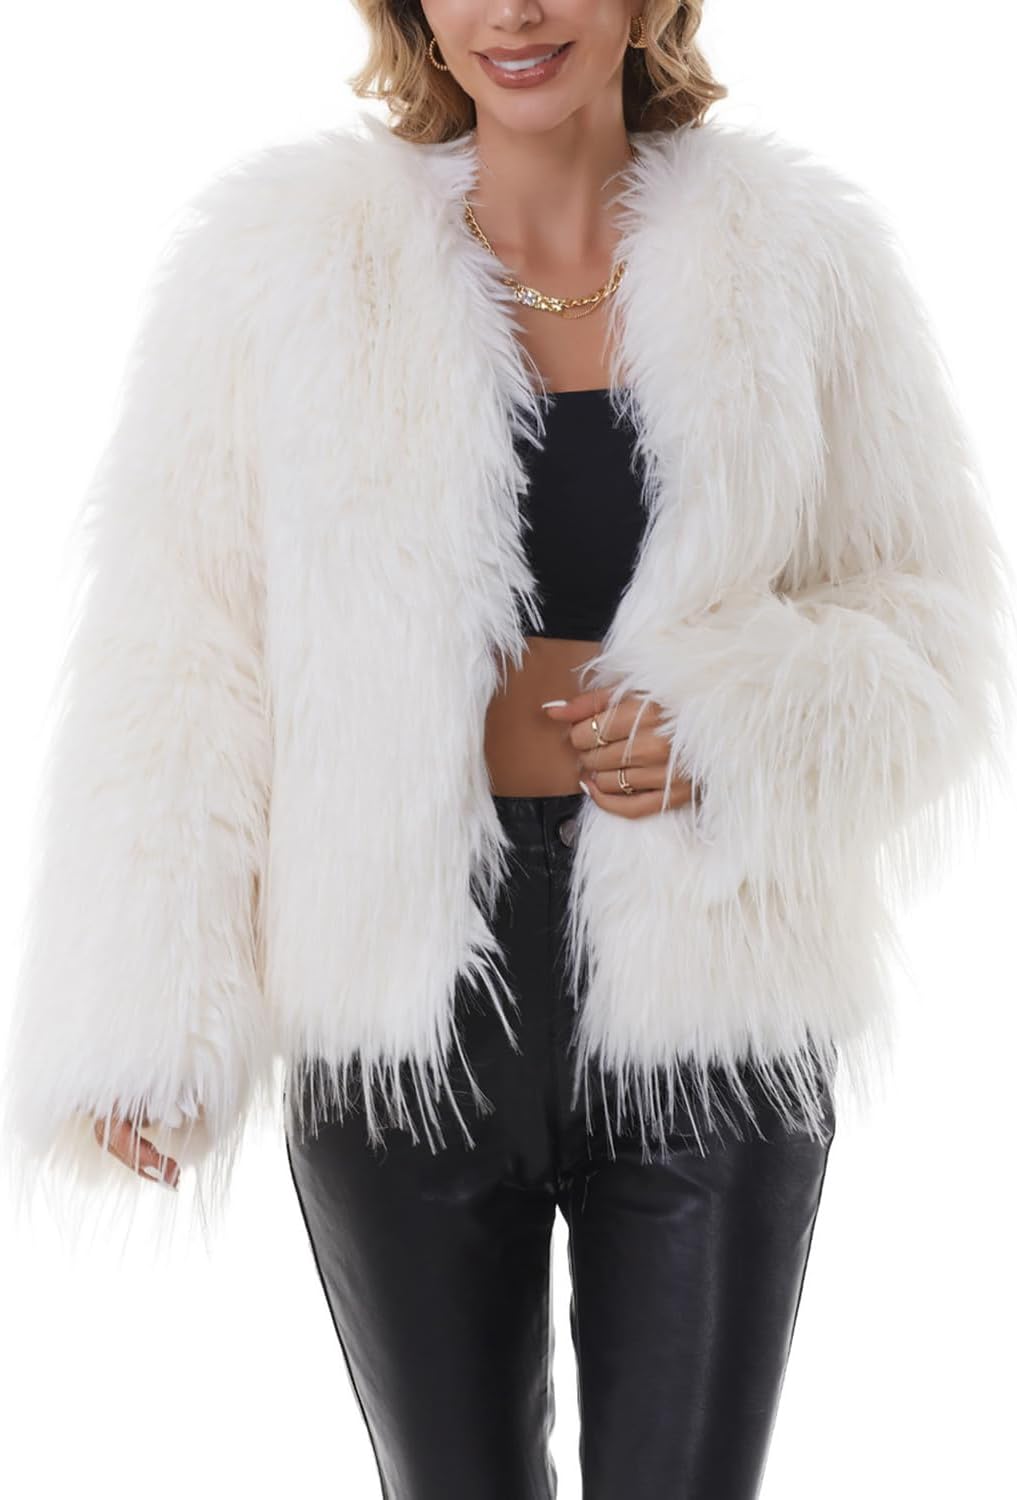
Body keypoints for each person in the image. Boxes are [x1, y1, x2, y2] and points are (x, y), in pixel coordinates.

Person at [3, 3, 1013, 1496]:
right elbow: (177, 652)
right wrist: (145, 1011)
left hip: (712, 991)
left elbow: (932, 616)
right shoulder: (285, 269)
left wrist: (736, 720)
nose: (515, 11)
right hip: (404, 1003)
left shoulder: (799, 261)